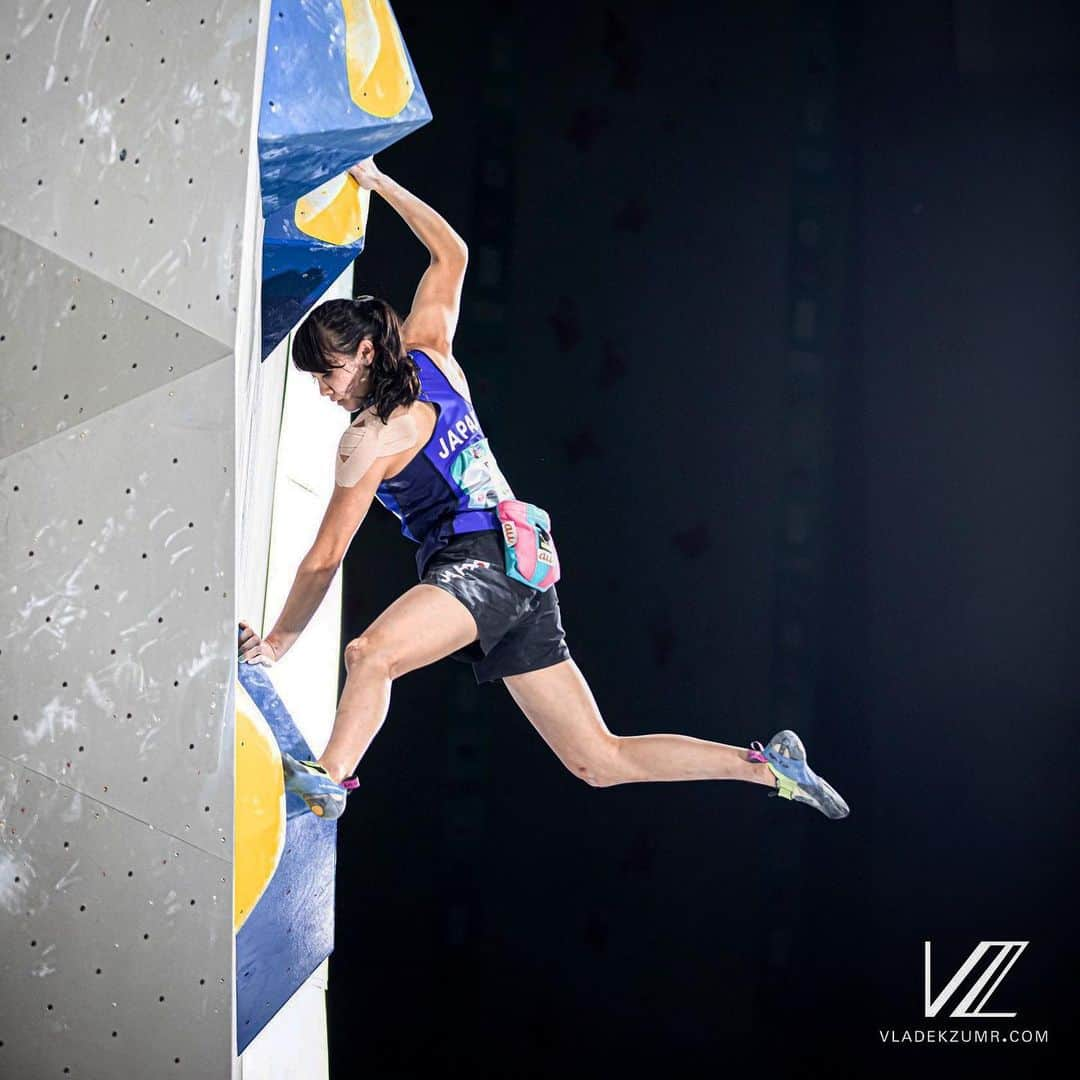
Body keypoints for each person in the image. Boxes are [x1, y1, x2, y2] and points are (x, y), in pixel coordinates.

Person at [236, 156, 849, 823]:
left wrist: (276, 646)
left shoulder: (367, 439)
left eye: (327, 375)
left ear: (362, 354)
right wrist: (378, 182)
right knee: (597, 759)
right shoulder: (430, 352)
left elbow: (326, 558)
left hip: (484, 564)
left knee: (370, 654)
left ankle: (329, 778)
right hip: (523, 564)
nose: (324, 392)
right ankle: (768, 769)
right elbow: (452, 253)